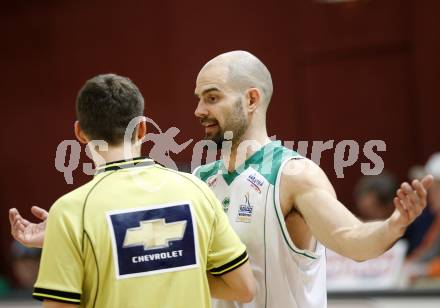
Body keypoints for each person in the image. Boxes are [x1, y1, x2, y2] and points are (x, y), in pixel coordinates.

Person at [10, 53, 433, 308]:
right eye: (198, 98)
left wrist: (396, 224)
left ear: (251, 100)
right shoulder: (200, 179)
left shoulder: (293, 174)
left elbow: (351, 239)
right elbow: (147, 248)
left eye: (211, 97)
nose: (198, 109)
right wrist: (70, 233)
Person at [9, 74, 255, 308]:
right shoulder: (197, 190)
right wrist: (175, 267)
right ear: (142, 129)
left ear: (80, 133)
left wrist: (73, 244)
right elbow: (243, 288)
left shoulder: (70, 212)